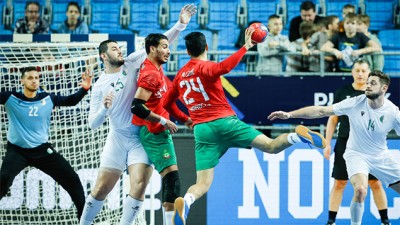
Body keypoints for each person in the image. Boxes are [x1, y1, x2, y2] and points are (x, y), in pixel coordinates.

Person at [163, 29, 327, 225]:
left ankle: (187, 201)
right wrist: (246, 46)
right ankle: (297, 137)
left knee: (202, 184)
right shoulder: (206, 67)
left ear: (187, 52)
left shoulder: (180, 75)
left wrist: (185, 119)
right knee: (271, 146)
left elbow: (166, 104)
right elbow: (223, 68)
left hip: (202, 130)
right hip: (226, 123)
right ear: (206, 47)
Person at [79, 4, 196, 225]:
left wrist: (181, 24)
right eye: (114, 49)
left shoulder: (132, 62)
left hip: (140, 136)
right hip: (116, 137)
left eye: (119, 48)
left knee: (140, 184)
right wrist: (104, 108)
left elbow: (159, 45)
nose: (119, 51)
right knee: (102, 187)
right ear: (103, 56)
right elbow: (92, 124)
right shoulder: (99, 86)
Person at [268, 70, 400, 225]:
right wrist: (290, 115)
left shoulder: (393, 112)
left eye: (373, 83)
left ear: (384, 88)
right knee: (361, 190)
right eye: (368, 82)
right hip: (357, 154)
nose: (368, 86)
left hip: (381, 156)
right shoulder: (355, 102)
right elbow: (321, 110)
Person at [0, 66, 92, 221]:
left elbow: (71, 101)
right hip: (17, 151)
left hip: (42, 150)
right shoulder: (10, 97)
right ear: (22, 80)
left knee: (72, 179)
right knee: (3, 179)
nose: (34, 81)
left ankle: (85, 221)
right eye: (30, 78)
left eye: (36, 78)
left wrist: (85, 89)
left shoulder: (47, 98)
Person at [131, 33, 193, 225]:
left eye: (168, 46)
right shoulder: (150, 74)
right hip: (155, 132)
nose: (169, 50)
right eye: (164, 46)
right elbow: (137, 107)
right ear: (152, 49)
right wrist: (163, 122)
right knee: (172, 178)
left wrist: (185, 119)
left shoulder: (157, 70)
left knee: (139, 187)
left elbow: (166, 103)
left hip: (156, 130)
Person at [323, 58, 390, 225]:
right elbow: (333, 119)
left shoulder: (375, 94)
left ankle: (385, 221)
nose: (360, 74)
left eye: (363, 71)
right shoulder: (341, 92)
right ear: (352, 72)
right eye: (357, 70)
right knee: (339, 183)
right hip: (345, 145)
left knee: (375, 183)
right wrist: (327, 143)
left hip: (369, 146)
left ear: (369, 74)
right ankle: (331, 221)